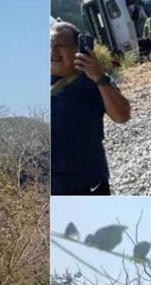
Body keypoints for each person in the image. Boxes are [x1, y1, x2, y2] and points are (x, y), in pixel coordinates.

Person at [50, 22, 131, 196]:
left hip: (85, 183)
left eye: (60, 46)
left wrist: (99, 78)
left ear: (79, 48)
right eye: (49, 46)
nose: (53, 52)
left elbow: (122, 116)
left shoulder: (93, 80)